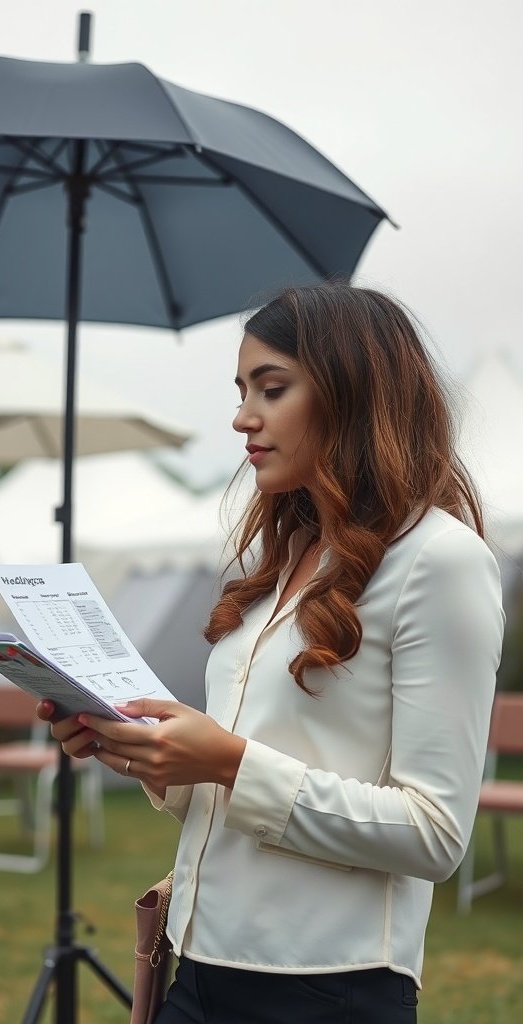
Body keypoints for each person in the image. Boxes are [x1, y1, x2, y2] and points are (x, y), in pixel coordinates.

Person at [38, 282, 504, 1023]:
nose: (242, 416)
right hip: (192, 965)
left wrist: (227, 760)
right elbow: (250, 769)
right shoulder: (285, 560)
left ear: (354, 393)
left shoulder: (439, 562)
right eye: (242, 389)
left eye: (272, 388)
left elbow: (435, 833)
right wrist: (141, 750)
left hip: (326, 988)